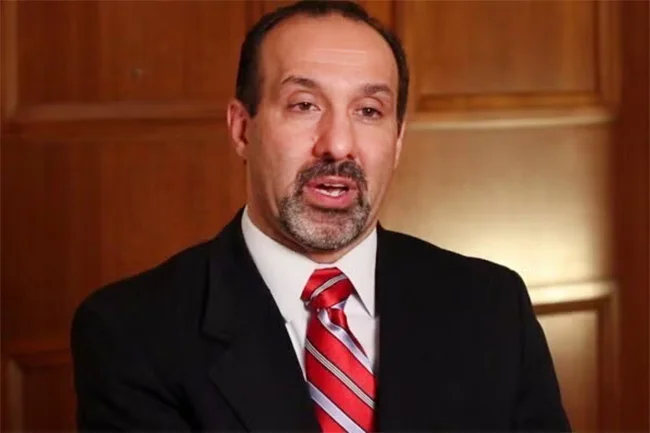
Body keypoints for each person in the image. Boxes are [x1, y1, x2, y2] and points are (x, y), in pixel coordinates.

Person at [71, 1, 571, 431]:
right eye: (305, 105)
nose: (338, 144)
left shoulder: (492, 306)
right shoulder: (132, 332)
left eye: (369, 111)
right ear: (242, 130)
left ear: (397, 140)